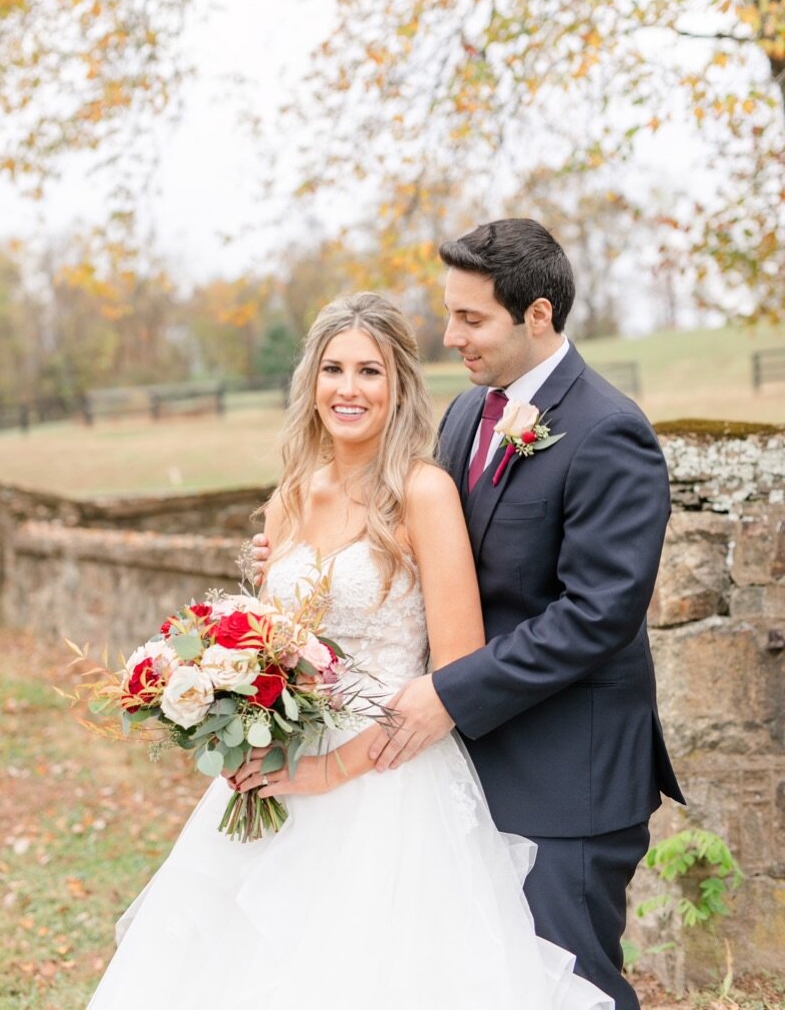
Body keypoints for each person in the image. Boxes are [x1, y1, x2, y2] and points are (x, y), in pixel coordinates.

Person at [88, 292, 612, 1009]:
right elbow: (273, 646)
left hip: (390, 780)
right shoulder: (290, 498)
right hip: (276, 768)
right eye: (333, 369)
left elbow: (456, 674)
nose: (349, 388)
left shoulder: (424, 494)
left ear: (397, 386)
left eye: (370, 371)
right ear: (311, 382)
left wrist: (329, 771)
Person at [245, 220, 681, 1010]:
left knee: (568, 987)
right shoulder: (467, 416)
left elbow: (598, 615)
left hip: (565, 775)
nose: (451, 336)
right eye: (450, 314)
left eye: (471, 319)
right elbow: (417, 555)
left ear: (538, 314)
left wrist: (452, 690)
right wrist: (299, 569)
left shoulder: (608, 432)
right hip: (465, 766)